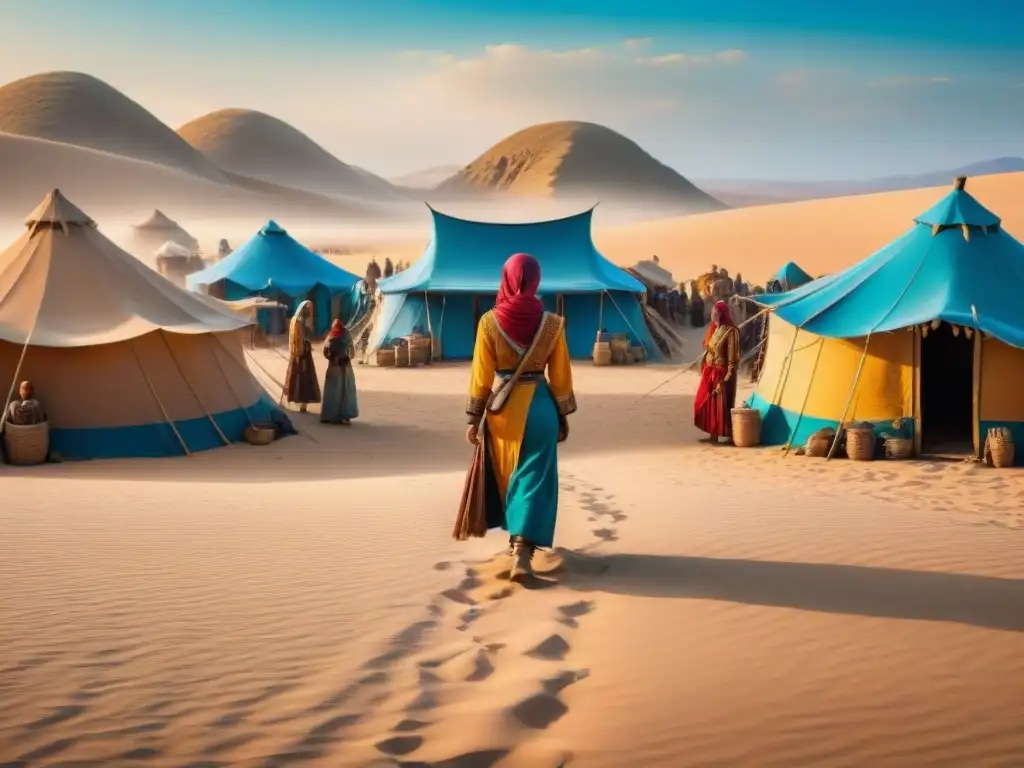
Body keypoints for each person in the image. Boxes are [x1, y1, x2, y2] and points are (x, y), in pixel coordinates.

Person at [458, 253, 576, 580]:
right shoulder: (552, 323)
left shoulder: (488, 322)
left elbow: (481, 375)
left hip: (503, 413)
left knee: (511, 477)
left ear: (507, 278)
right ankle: (523, 549)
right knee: (535, 478)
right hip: (540, 408)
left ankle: (516, 546)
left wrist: (473, 418)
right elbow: (562, 375)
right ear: (535, 280)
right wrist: (563, 413)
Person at [694, 301, 740, 443]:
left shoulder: (730, 331)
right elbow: (708, 348)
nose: (712, 313)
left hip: (721, 373)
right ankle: (712, 435)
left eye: (714, 311)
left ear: (720, 313)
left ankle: (727, 435)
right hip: (710, 371)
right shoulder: (713, 328)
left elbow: (732, 357)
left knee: (720, 406)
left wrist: (727, 377)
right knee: (705, 403)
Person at [283, 300, 321, 413]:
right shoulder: (299, 322)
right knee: (303, 378)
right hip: (302, 354)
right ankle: (302, 403)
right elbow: (303, 338)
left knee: (297, 377)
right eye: (308, 310)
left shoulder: (295, 320)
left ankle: (298, 402)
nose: (310, 312)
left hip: (297, 353)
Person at [321, 319, 358, 425]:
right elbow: (325, 351)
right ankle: (332, 415)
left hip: (343, 367)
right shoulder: (332, 336)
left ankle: (345, 414)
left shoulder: (344, 336)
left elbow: (351, 351)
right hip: (336, 368)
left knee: (344, 391)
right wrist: (332, 357)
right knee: (335, 392)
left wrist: (342, 357)